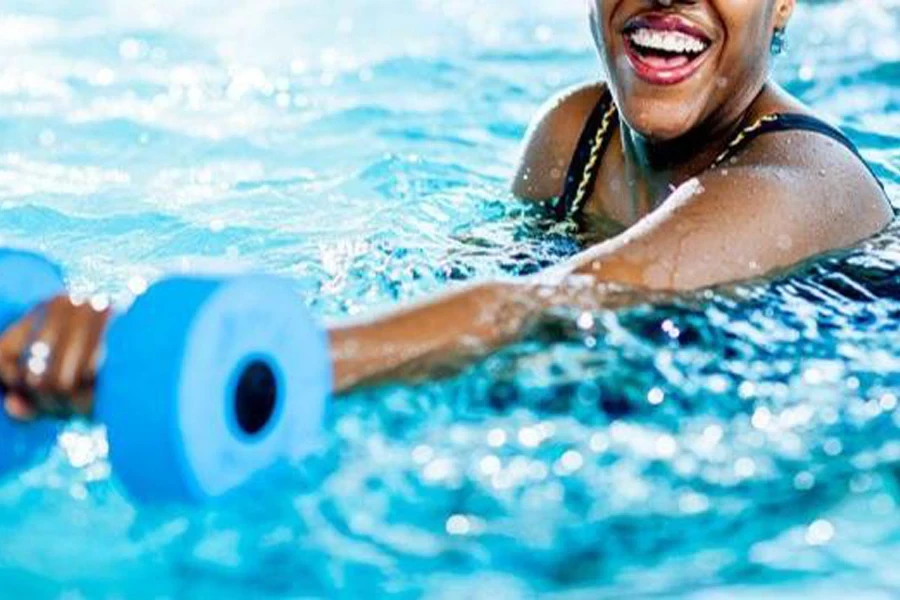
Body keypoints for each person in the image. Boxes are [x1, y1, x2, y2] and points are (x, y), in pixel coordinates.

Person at [0, 0, 892, 420]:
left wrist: (228, 364)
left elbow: (551, 300)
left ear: (783, 6)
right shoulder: (575, 136)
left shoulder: (801, 182)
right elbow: (469, 291)